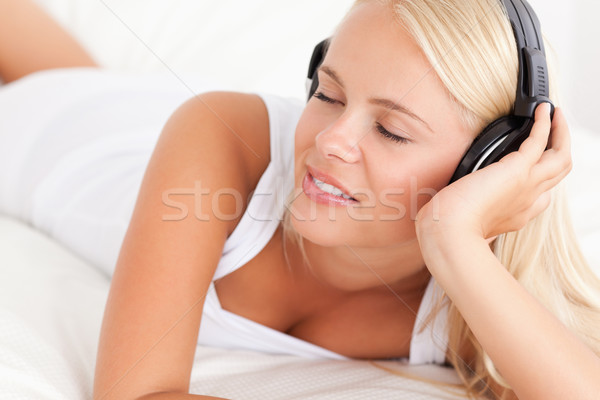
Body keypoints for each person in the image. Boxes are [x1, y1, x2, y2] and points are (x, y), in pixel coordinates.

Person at [1, 0, 599, 399]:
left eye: (391, 131)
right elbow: (140, 394)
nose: (330, 140)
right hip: (63, 134)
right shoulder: (219, 137)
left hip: (126, 117)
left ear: (484, 165)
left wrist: (456, 244)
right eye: (329, 94)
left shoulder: (469, 294)